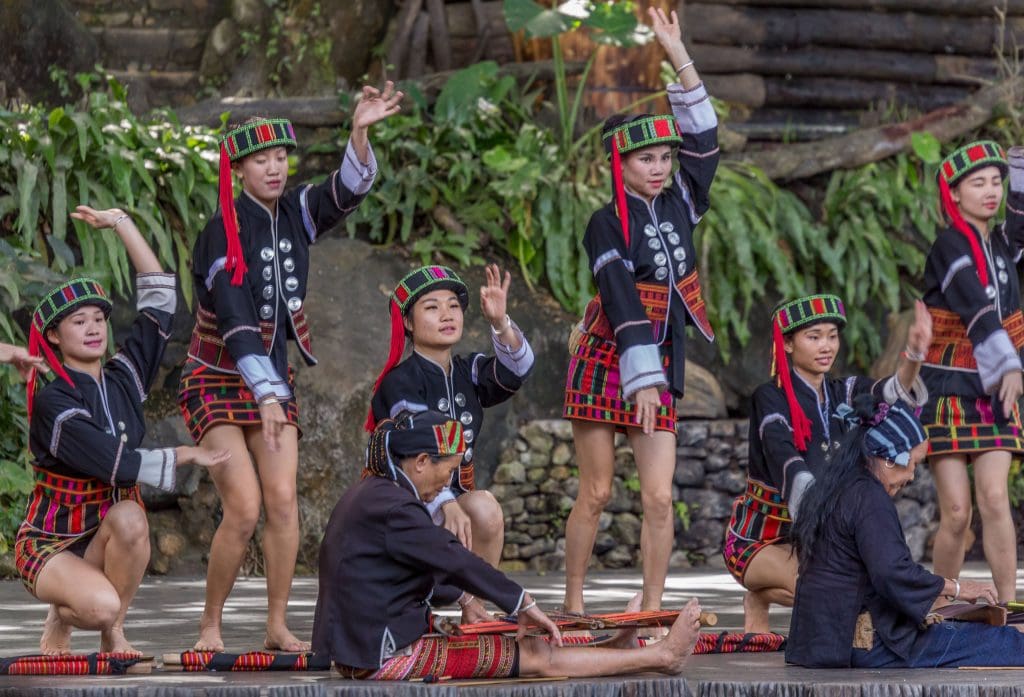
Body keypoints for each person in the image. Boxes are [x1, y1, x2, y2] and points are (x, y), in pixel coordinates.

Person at [177, 82, 403, 652]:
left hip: (273, 382)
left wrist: (359, 132)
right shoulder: (219, 233)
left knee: (281, 501)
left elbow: (343, 193)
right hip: (217, 380)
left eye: (281, 157)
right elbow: (235, 321)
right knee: (246, 506)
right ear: (239, 168)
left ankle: (277, 624)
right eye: (262, 159)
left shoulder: (297, 213)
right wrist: (266, 393)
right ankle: (210, 624)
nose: (275, 168)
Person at [312, 411, 705, 680]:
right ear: (419, 462)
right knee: (536, 656)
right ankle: (659, 657)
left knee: (517, 641)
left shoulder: (375, 495)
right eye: (447, 472)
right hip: (384, 657)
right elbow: (452, 558)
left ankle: (617, 648)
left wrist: (469, 602)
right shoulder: (397, 508)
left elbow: (411, 572)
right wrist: (521, 602)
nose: (446, 485)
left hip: (361, 648)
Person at [15, 205, 229, 656]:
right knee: (98, 607)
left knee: (132, 518)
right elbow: (116, 465)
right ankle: (67, 609)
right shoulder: (54, 401)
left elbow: (159, 304)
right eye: (79, 322)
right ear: (54, 337)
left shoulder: (122, 377)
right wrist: (184, 454)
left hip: (107, 529)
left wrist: (122, 224)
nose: (93, 328)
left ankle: (116, 634)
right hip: (54, 542)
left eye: (99, 319)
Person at [562, 7, 719, 615]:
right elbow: (621, 295)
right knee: (597, 491)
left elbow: (705, 143)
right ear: (620, 165)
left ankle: (651, 605)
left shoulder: (682, 203)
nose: (659, 168)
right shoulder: (605, 223)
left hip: (662, 355)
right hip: (608, 356)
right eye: (645, 159)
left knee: (658, 497)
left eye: (663, 159)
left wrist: (677, 54)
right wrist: (642, 375)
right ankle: (573, 605)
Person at [723, 294, 930, 633]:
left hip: (815, 540)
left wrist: (915, 355)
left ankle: (761, 597)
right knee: (828, 583)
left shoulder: (842, 391)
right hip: (759, 540)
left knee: (852, 580)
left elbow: (891, 392)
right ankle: (764, 593)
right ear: (787, 344)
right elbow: (783, 454)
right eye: (814, 336)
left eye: (832, 335)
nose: (826, 346)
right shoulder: (769, 396)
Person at [785, 397, 1024, 669]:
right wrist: (959, 588)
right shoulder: (868, 497)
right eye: (913, 462)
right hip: (864, 645)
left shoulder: (837, 489)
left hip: (820, 644)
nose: (911, 475)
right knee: (1005, 642)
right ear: (889, 458)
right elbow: (892, 573)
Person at [366, 263, 532, 577]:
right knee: (467, 507)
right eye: (432, 307)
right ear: (408, 323)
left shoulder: (467, 372)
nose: (447, 314)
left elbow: (517, 371)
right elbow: (414, 449)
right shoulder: (398, 382)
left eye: (453, 306)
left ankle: (475, 611)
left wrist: (500, 324)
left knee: (484, 507)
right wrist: (445, 501)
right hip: (405, 504)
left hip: (454, 500)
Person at [920, 141, 1024, 603]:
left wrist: (1018, 167)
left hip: (995, 392)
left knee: (995, 498)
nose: (990, 191)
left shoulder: (1001, 245)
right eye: (977, 183)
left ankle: (1008, 605)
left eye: (997, 181)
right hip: (948, 390)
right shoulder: (949, 246)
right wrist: (1009, 363)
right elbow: (972, 301)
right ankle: (937, 606)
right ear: (955, 193)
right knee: (957, 512)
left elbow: (1020, 218)